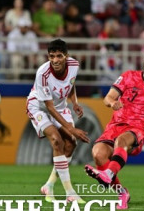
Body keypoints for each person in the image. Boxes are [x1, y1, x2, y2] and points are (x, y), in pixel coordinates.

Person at [84, 46, 144, 210]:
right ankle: (122, 193)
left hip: (136, 132)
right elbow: (108, 98)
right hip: (114, 127)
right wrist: (113, 103)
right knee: (98, 154)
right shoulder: (128, 77)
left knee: (121, 140)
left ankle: (108, 174)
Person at [26, 39, 89, 203]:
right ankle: (70, 193)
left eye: (59, 56)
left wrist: (74, 102)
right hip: (39, 107)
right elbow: (49, 107)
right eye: (51, 56)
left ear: (66, 56)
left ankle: (49, 185)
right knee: (56, 140)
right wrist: (72, 128)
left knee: (71, 144)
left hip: (60, 106)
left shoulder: (74, 65)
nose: (55, 60)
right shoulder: (43, 73)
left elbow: (71, 83)